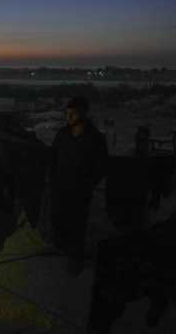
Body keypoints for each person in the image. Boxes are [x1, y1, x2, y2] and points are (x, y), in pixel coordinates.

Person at [49, 96, 108, 277]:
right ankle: (61, 249)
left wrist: (88, 184)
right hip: (60, 188)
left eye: (73, 113)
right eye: (67, 113)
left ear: (83, 113)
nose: (69, 117)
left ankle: (75, 258)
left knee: (78, 224)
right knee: (59, 218)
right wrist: (53, 179)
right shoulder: (62, 135)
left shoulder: (95, 138)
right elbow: (53, 158)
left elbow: (101, 165)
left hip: (80, 190)